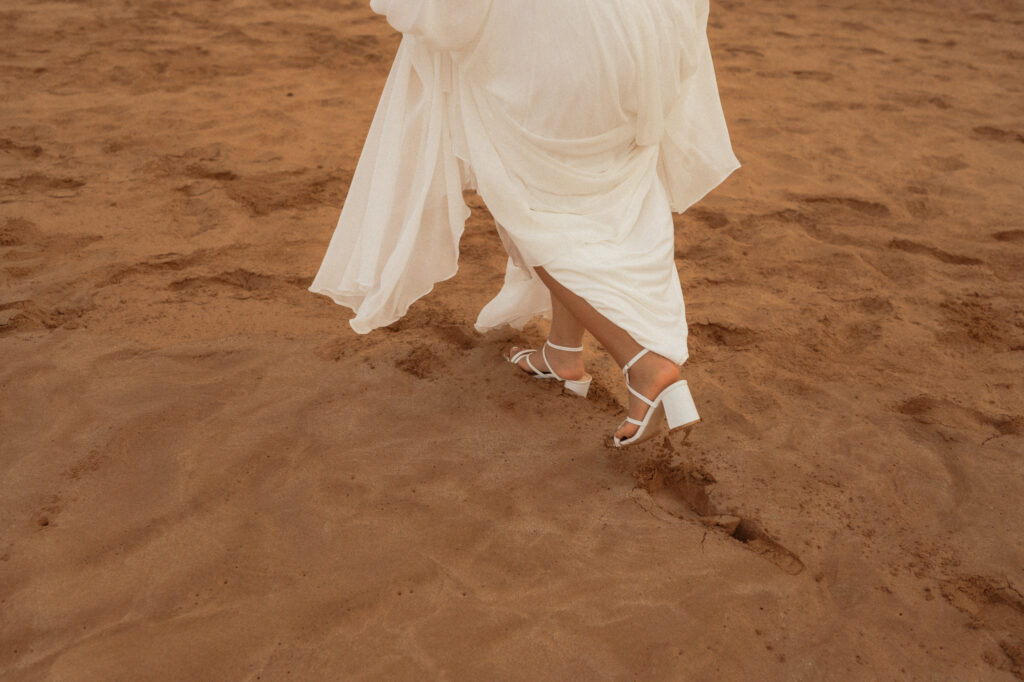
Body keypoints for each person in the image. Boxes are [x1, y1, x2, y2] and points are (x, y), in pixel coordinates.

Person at [308, 0, 741, 447]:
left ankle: (643, 364)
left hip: (561, 45)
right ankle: (563, 353)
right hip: (648, 36)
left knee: (528, 199)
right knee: (572, 197)